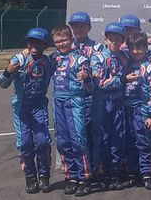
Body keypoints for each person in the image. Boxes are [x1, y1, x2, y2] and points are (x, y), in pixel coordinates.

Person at [0, 28, 53, 194]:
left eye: (38, 42)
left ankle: (44, 176)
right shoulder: (19, 59)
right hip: (21, 108)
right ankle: (30, 177)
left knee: (43, 142)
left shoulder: (49, 62)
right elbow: (2, 84)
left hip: (39, 107)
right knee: (25, 143)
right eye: (31, 41)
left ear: (45, 45)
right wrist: (7, 72)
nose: (33, 45)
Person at [50, 25, 93, 196]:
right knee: (62, 141)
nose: (61, 44)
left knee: (77, 140)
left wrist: (86, 76)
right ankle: (72, 176)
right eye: (57, 42)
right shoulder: (53, 58)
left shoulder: (79, 58)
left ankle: (84, 177)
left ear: (71, 40)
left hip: (75, 101)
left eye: (64, 40)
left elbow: (88, 74)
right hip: (58, 101)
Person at [90, 23, 128, 190]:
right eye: (111, 38)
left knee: (117, 137)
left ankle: (115, 172)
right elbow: (100, 84)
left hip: (118, 102)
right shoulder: (97, 58)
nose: (114, 42)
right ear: (105, 39)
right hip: (102, 103)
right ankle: (100, 173)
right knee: (102, 138)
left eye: (117, 39)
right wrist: (122, 80)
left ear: (122, 41)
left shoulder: (123, 57)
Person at [123, 32, 151, 190]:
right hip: (126, 108)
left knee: (144, 142)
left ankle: (147, 173)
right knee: (129, 141)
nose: (135, 51)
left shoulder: (150, 67)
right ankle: (133, 172)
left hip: (143, 109)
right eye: (132, 48)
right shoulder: (125, 64)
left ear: (146, 48)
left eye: (139, 48)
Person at [68, 11, 102, 173]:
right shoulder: (66, 47)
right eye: (75, 26)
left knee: (94, 136)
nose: (79, 29)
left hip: (92, 99)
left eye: (82, 26)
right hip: (73, 100)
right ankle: (81, 170)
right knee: (75, 137)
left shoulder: (97, 47)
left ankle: (96, 169)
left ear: (89, 27)